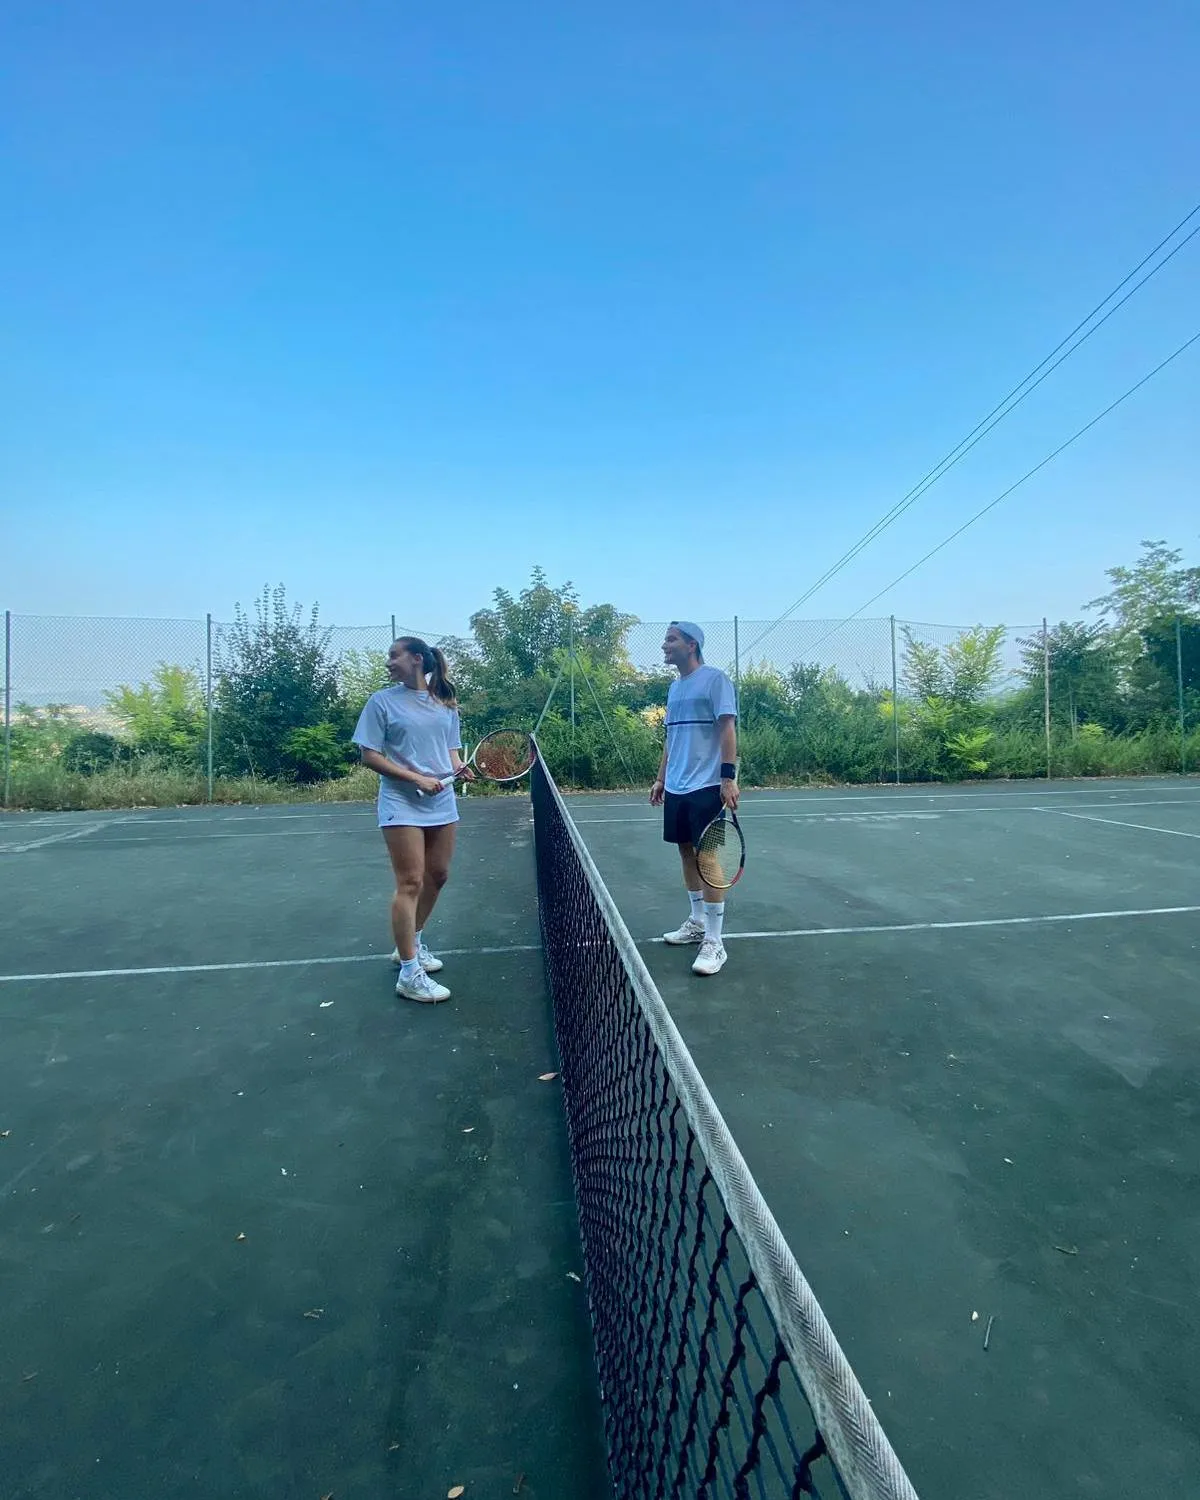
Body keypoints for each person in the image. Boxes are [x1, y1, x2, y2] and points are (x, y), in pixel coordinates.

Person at [353, 637, 473, 1004]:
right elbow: (368, 755)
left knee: (438, 875)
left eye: (395, 655)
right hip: (400, 802)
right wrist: (416, 778)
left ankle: (412, 941)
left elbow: (450, 752)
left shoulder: (446, 704)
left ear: (417, 659)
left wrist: (459, 770)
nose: (389, 661)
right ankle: (409, 973)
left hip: (442, 801)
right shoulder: (381, 702)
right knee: (410, 881)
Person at [649, 621, 739, 976]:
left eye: (670, 640)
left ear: (691, 645)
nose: (664, 646)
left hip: (708, 787)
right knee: (686, 852)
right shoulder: (675, 688)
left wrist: (727, 778)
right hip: (676, 787)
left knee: (708, 857)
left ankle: (715, 943)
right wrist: (660, 778)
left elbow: (727, 729)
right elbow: (671, 739)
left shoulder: (715, 680)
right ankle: (698, 921)